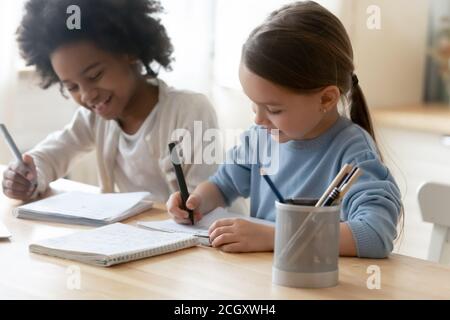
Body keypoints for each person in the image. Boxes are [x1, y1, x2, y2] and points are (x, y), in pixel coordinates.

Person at [167, 1, 402, 258]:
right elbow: (223, 185)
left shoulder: (353, 152)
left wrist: (276, 237)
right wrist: (196, 201)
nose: (258, 119)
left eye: (273, 109)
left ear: (326, 99)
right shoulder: (261, 138)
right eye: (253, 105)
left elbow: (375, 235)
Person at [3, 0, 218, 203]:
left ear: (129, 51)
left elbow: (201, 204)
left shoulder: (189, 111)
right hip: (139, 236)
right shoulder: (94, 118)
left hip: (210, 238)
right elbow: (50, 156)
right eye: (72, 87)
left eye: (95, 76)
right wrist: (28, 178)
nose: (87, 95)